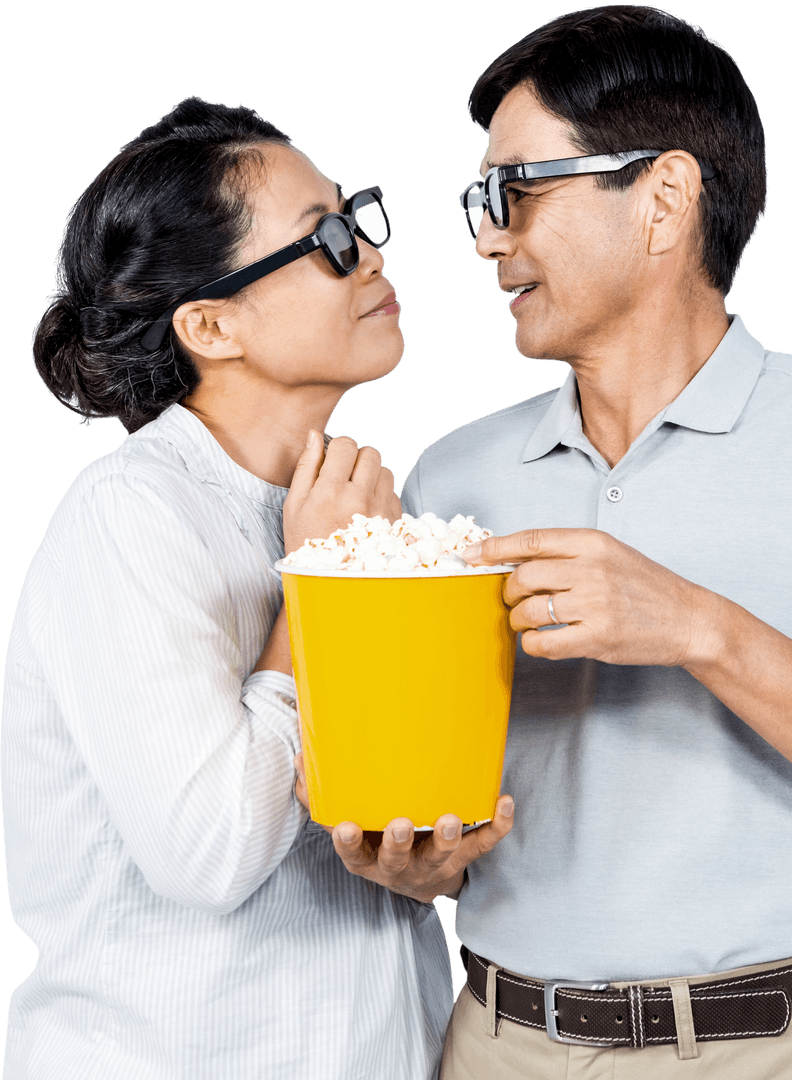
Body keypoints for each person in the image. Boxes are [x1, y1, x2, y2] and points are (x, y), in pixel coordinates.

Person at [320, 8, 792, 1079]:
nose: (489, 238)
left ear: (665, 198)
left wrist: (696, 626)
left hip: (785, 1052)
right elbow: (443, 813)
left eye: (517, 191)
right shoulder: (452, 477)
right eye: (476, 204)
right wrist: (415, 861)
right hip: (502, 1046)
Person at [1, 97, 512, 1080]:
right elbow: (208, 853)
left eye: (357, 215)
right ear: (210, 324)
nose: (368, 251)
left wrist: (427, 865)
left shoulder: (349, 508)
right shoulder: (129, 518)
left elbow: (368, 821)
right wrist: (315, 594)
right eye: (324, 238)